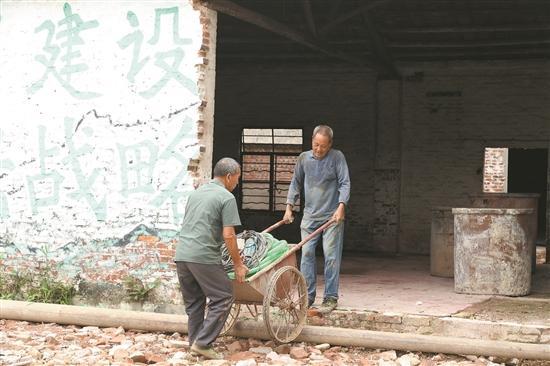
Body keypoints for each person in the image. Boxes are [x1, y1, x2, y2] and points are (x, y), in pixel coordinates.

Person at [175, 157, 248, 360]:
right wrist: (238, 264)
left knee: (195, 303)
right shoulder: (226, 198)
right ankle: (203, 343)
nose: (237, 183)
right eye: (237, 178)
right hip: (203, 256)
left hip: (182, 255)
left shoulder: (195, 194)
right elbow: (229, 235)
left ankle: (195, 344)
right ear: (228, 176)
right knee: (224, 297)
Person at [283, 125, 350, 313]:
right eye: (316, 145)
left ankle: (330, 297)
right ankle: (307, 296)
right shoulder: (304, 158)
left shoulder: (337, 157)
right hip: (310, 217)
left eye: (323, 146)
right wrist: (289, 207)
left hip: (332, 217)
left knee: (331, 256)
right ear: (311, 140)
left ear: (330, 145)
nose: (319, 149)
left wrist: (341, 206)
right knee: (307, 255)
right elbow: (295, 182)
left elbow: (345, 183)